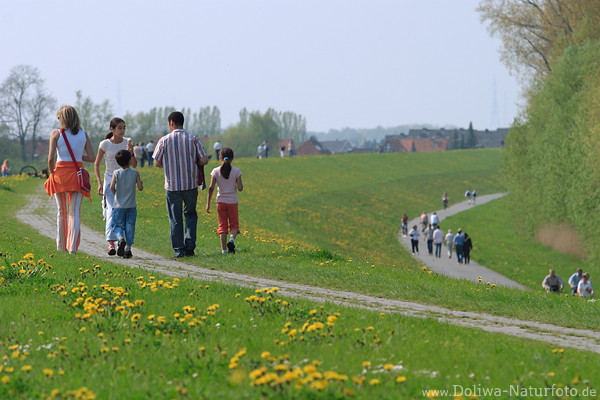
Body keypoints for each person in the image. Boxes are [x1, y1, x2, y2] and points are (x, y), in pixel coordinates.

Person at [153, 111, 208, 258]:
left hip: (172, 185)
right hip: (190, 184)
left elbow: (156, 162)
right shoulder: (193, 139)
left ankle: (178, 249)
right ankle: (190, 246)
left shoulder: (164, 140)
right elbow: (204, 160)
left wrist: (170, 164)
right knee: (190, 214)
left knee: (175, 219)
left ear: (171, 122)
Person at [44, 105, 95, 254]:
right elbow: (91, 158)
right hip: (77, 174)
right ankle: (72, 247)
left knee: (61, 211)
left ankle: (60, 247)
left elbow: (50, 158)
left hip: (60, 174)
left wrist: (52, 173)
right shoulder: (83, 134)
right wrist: (78, 156)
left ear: (63, 118)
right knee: (75, 212)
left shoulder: (56, 134)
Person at [94, 118, 137, 255]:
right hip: (109, 180)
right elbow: (96, 164)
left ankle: (121, 241)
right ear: (112, 129)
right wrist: (99, 182)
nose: (122, 131)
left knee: (124, 212)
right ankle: (111, 243)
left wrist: (131, 152)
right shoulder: (105, 144)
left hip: (124, 180)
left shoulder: (127, 143)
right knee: (112, 212)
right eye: (119, 128)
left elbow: (134, 164)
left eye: (124, 128)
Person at [206, 147, 243, 254]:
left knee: (222, 225)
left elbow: (211, 188)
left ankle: (224, 251)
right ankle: (231, 240)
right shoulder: (236, 171)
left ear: (220, 157)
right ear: (232, 158)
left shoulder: (215, 171)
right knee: (234, 225)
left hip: (220, 201)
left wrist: (208, 204)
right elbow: (240, 188)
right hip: (232, 201)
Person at [110, 150, 143, 258]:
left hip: (118, 205)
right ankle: (128, 248)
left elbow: (111, 187)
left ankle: (120, 238)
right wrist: (140, 182)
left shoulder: (116, 173)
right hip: (131, 205)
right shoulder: (135, 173)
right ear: (129, 161)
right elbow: (140, 188)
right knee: (130, 227)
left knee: (117, 225)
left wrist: (116, 194)